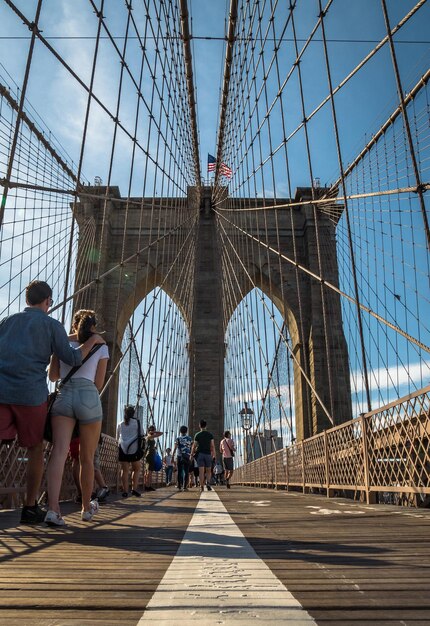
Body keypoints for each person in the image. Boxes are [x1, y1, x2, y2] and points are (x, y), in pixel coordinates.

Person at [0, 280, 103, 525]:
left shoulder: (5, 322)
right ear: (48, 301)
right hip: (31, 397)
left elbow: (55, 373)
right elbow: (73, 357)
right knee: (35, 448)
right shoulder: (52, 325)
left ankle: (51, 507)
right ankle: (30, 507)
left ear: (27, 300)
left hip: (2, 392)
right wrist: (92, 341)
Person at [45, 309, 108, 525]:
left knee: (59, 453)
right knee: (87, 458)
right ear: (93, 326)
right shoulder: (101, 345)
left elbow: (53, 376)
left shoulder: (61, 342)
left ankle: (53, 510)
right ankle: (86, 508)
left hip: (64, 396)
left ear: (74, 325)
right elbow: (98, 384)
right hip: (89, 397)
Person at [117, 405, 144, 498]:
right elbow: (142, 434)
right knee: (136, 469)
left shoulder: (120, 424)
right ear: (134, 413)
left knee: (124, 471)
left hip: (123, 449)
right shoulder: (137, 422)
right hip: (134, 449)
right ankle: (134, 489)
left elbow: (118, 437)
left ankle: (125, 491)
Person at [191, 419, 216, 493]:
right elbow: (212, 446)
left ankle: (201, 486)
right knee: (208, 471)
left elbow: (194, 446)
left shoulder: (197, 434)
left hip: (200, 454)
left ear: (199, 425)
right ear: (206, 426)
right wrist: (214, 454)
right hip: (208, 454)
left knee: (201, 471)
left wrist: (191, 454)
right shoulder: (210, 435)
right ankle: (208, 484)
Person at [172, 425, 192, 491]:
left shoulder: (178, 438)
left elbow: (175, 448)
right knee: (186, 472)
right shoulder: (189, 438)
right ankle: (185, 487)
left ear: (180, 431)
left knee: (179, 471)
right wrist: (191, 456)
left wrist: (172, 456)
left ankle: (179, 487)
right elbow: (191, 447)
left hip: (179, 456)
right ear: (186, 431)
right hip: (187, 456)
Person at [144, 424, 162, 491]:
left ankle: (148, 485)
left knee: (148, 471)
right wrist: (153, 432)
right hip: (150, 455)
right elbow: (161, 433)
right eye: (153, 429)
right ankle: (147, 486)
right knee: (149, 471)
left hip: (149, 454)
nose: (154, 431)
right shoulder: (150, 436)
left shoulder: (148, 437)